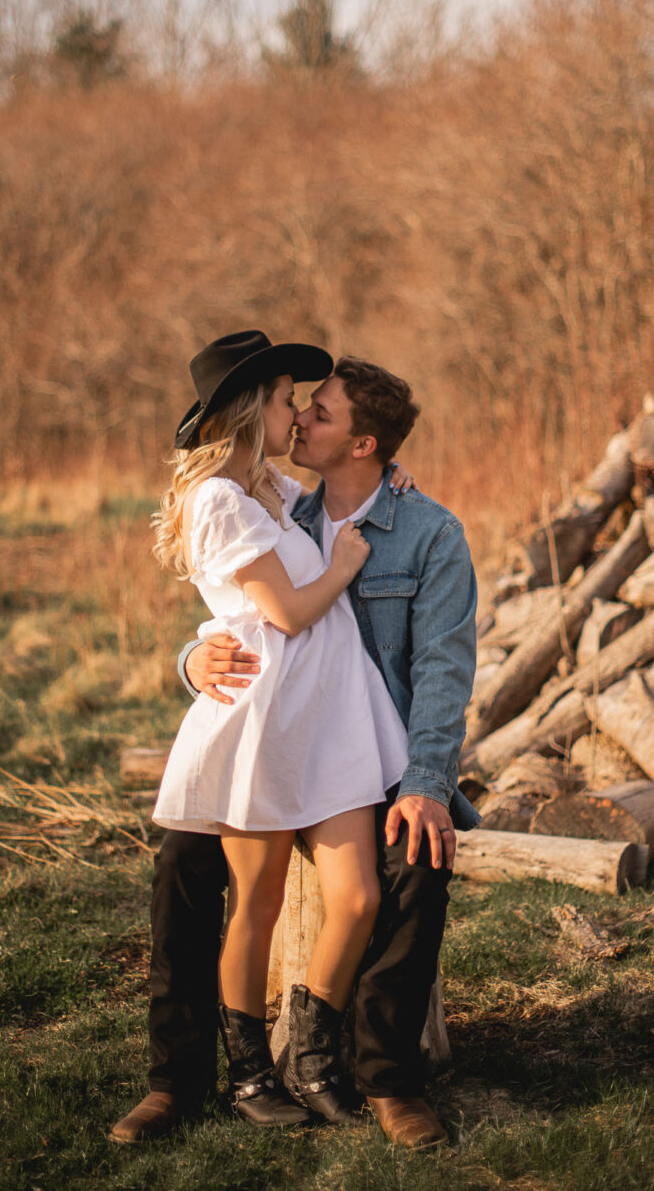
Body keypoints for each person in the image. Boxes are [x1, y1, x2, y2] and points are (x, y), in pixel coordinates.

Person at [111, 341, 478, 1150]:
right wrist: (188, 660)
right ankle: (180, 1080)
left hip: (367, 747)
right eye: (295, 402)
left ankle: (381, 1078)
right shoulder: (286, 498)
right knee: (184, 868)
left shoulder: (426, 532)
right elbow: (252, 614)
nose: (303, 414)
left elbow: (446, 674)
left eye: (320, 409)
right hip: (269, 737)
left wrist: (424, 781)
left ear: (363, 447)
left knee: (413, 863)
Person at [146, 330, 412, 1129]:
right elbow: (288, 613)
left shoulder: (263, 490)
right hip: (264, 718)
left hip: (327, 719)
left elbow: (336, 501)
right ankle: (250, 1073)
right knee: (255, 903)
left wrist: (383, 474)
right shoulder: (218, 501)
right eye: (286, 399)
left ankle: (317, 1050)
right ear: (249, 408)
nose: (295, 414)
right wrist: (343, 566)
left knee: (358, 897)